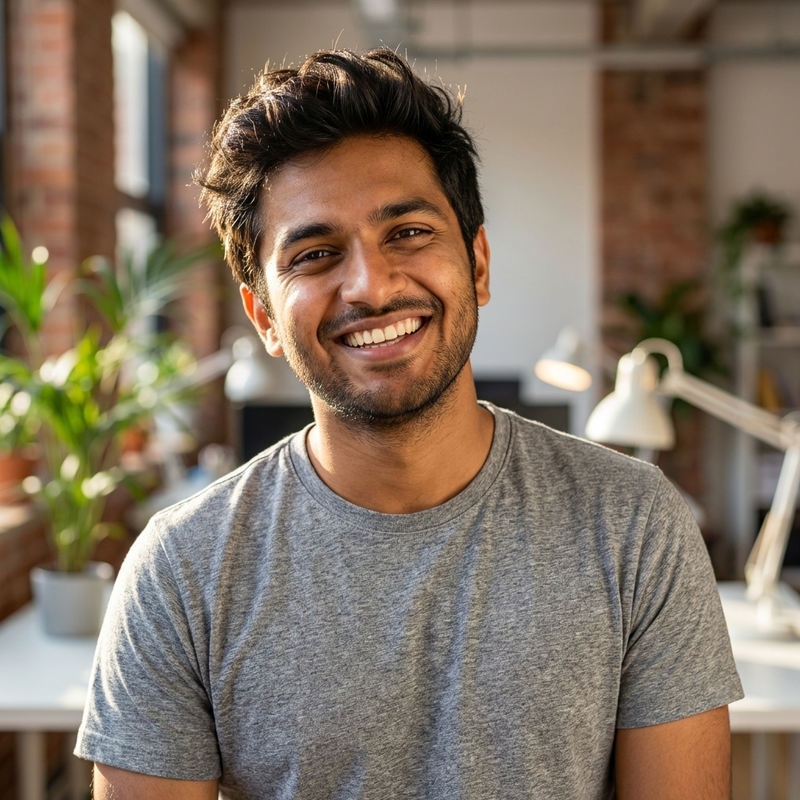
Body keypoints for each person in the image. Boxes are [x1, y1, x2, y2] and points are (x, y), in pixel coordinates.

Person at [76, 48, 743, 799]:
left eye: (409, 233)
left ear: (478, 264)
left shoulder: (631, 523)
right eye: (316, 253)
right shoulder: (184, 569)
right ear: (262, 314)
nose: (371, 285)